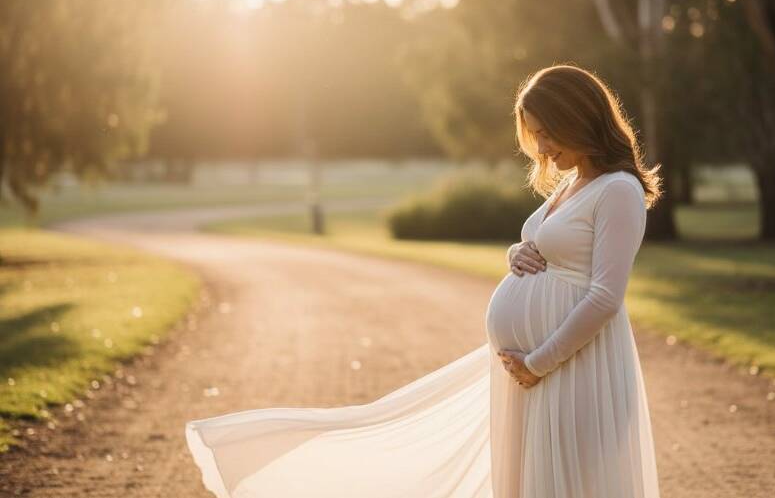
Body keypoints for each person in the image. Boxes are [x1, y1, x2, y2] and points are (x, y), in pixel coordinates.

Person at [184, 64, 662, 498]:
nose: (540, 148)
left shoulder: (617, 190)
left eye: (546, 134)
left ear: (577, 118)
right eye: (534, 136)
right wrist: (516, 252)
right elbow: (551, 246)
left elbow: (605, 296)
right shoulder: (573, 183)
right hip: (532, 373)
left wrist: (539, 362)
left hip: (574, 369)